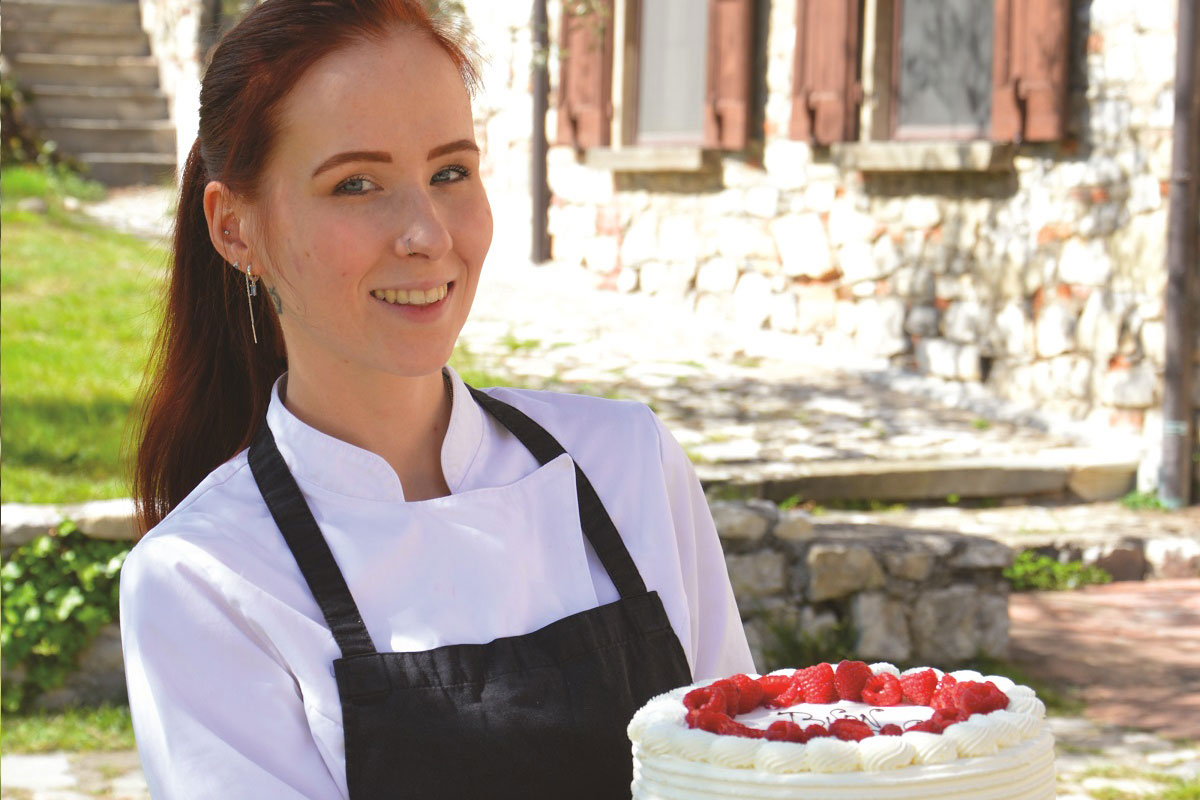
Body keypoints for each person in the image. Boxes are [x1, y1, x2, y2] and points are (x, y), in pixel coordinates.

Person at [120, 0, 753, 797]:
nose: (426, 232)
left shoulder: (630, 463)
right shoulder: (203, 579)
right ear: (235, 229)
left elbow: (748, 773)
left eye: (450, 172)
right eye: (356, 183)